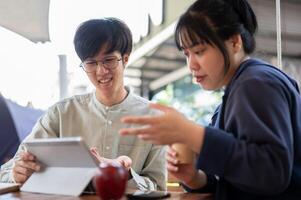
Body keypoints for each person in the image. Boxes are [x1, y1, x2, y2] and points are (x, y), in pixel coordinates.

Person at [119, 0, 301, 199]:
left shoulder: (255, 83)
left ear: (234, 42)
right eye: (187, 54)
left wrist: (189, 132)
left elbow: (272, 173)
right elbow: (245, 182)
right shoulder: (237, 90)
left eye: (199, 51)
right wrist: (196, 178)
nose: (191, 65)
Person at [0, 18, 166, 191]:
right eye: (91, 63)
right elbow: (9, 169)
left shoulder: (154, 118)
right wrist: (17, 173)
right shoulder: (60, 114)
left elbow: (159, 187)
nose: (101, 71)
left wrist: (126, 175)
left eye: (108, 60)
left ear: (125, 59)